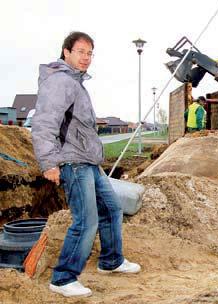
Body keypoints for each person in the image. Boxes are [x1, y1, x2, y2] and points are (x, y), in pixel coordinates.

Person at [31, 32, 140, 298]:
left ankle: (111, 261)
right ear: (66, 52)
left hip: (88, 161)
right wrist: (49, 163)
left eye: (90, 53)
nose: (86, 58)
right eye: (80, 51)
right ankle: (63, 278)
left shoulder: (74, 82)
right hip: (74, 162)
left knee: (111, 209)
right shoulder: (59, 82)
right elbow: (44, 123)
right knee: (86, 220)